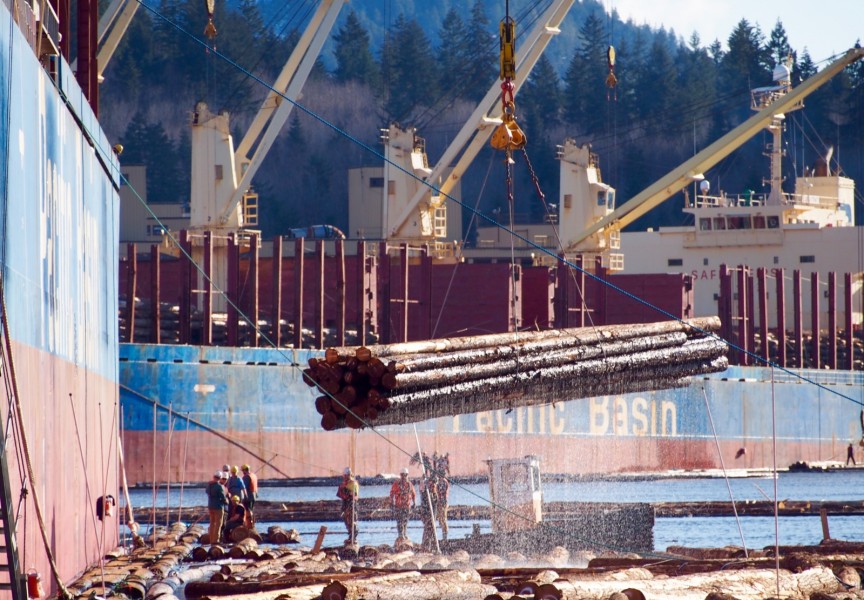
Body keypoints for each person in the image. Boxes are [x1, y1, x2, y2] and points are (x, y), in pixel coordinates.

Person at [389, 467, 416, 543]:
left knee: (405, 521)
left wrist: (414, 503)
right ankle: (400, 535)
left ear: (407, 475)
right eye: (403, 475)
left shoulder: (410, 485)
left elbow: (413, 494)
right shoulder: (396, 484)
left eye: (405, 475)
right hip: (398, 506)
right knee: (399, 521)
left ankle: (404, 533)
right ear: (401, 475)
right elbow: (392, 494)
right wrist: (391, 502)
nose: (404, 477)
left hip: (407, 506)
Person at [336, 467, 359, 543]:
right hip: (345, 503)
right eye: (344, 475)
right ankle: (350, 535)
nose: (345, 477)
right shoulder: (344, 483)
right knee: (346, 519)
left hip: (352, 503)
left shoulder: (353, 483)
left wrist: (345, 489)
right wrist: (343, 488)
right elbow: (340, 493)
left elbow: (353, 494)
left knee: (352, 520)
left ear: (349, 475)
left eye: (346, 475)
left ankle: (354, 537)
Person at [206, 471, 228, 545]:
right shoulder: (219, 486)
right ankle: (216, 540)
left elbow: (207, 492)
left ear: (214, 476)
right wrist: (226, 501)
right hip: (218, 507)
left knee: (212, 523)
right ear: (220, 478)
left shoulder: (209, 485)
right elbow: (222, 497)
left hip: (210, 506)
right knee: (218, 524)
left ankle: (211, 539)